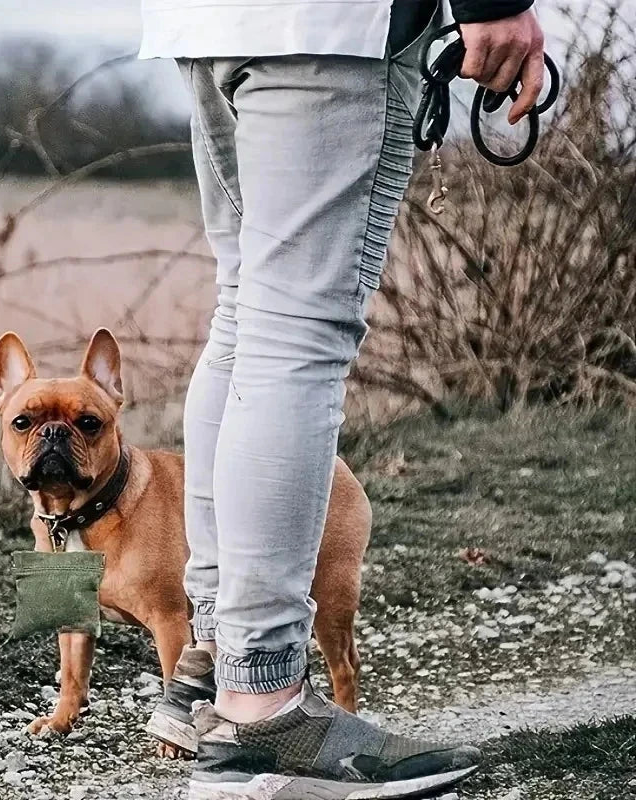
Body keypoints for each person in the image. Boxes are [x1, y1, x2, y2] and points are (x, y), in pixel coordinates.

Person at [139, 0, 545, 796]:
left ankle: (217, 662)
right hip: (330, 28)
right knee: (297, 331)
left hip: (206, 20)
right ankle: (262, 709)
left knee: (248, 312)